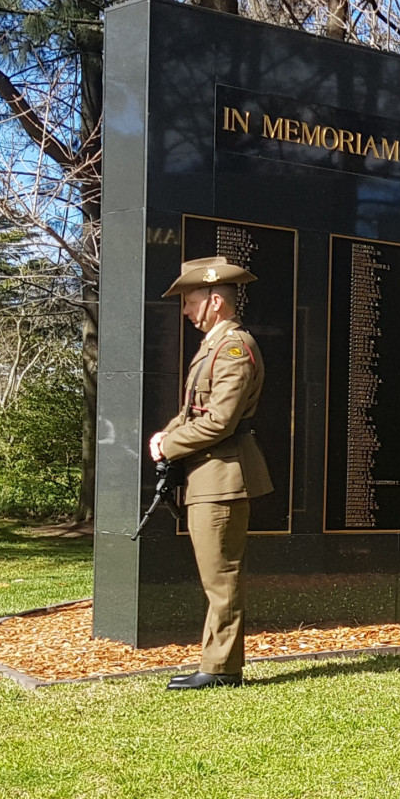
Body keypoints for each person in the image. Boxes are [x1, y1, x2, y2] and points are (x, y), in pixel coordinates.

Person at [148, 256, 272, 690]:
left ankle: (221, 669)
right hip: (209, 474)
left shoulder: (233, 348)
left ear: (215, 301)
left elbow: (220, 421)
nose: (185, 310)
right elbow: (195, 412)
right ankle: (215, 663)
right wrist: (167, 433)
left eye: (190, 301)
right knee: (215, 576)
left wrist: (169, 445)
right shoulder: (215, 346)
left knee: (222, 577)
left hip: (224, 476)